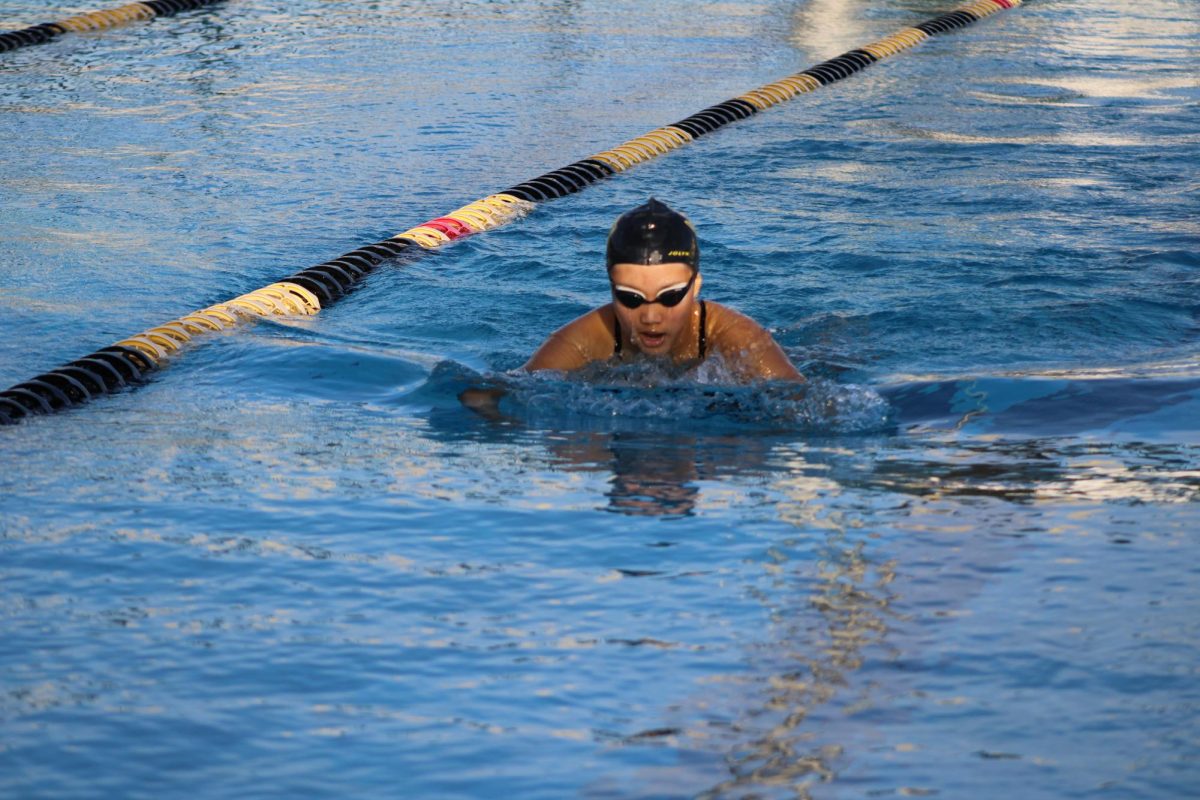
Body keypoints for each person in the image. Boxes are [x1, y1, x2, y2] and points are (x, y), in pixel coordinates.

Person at [523, 198, 804, 382]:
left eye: (670, 296)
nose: (651, 317)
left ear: (695, 287)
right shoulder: (583, 341)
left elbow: (803, 402)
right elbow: (502, 396)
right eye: (630, 298)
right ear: (610, 290)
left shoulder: (737, 339)